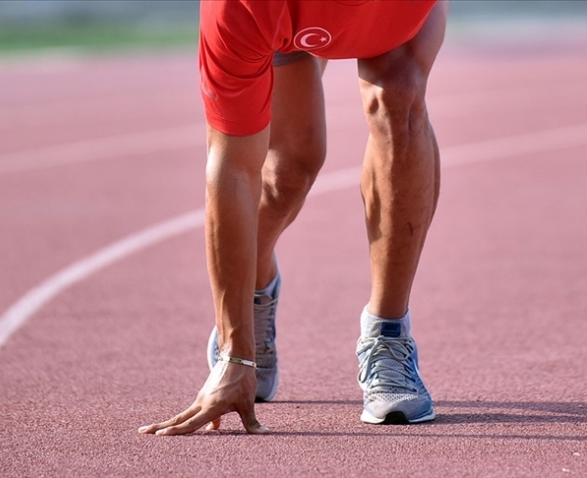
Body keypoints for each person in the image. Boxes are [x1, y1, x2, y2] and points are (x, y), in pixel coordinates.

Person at [139, 0, 448, 436]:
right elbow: (232, 169)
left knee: (398, 94)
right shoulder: (240, 9)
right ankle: (255, 291)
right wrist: (235, 353)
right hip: (286, 18)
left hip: (388, 13)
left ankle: (388, 333)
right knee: (287, 173)